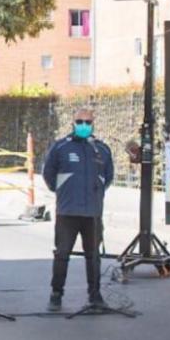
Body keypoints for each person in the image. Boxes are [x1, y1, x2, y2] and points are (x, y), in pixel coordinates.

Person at [42, 108, 114, 311]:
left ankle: (95, 295)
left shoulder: (101, 149)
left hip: (92, 213)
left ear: (93, 124)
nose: (84, 125)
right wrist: (63, 192)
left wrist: (97, 195)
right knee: (62, 253)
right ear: (73, 123)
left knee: (93, 255)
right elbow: (49, 174)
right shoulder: (61, 147)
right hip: (67, 211)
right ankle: (56, 294)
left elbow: (108, 177)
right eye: (80, 121)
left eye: (88, 122)